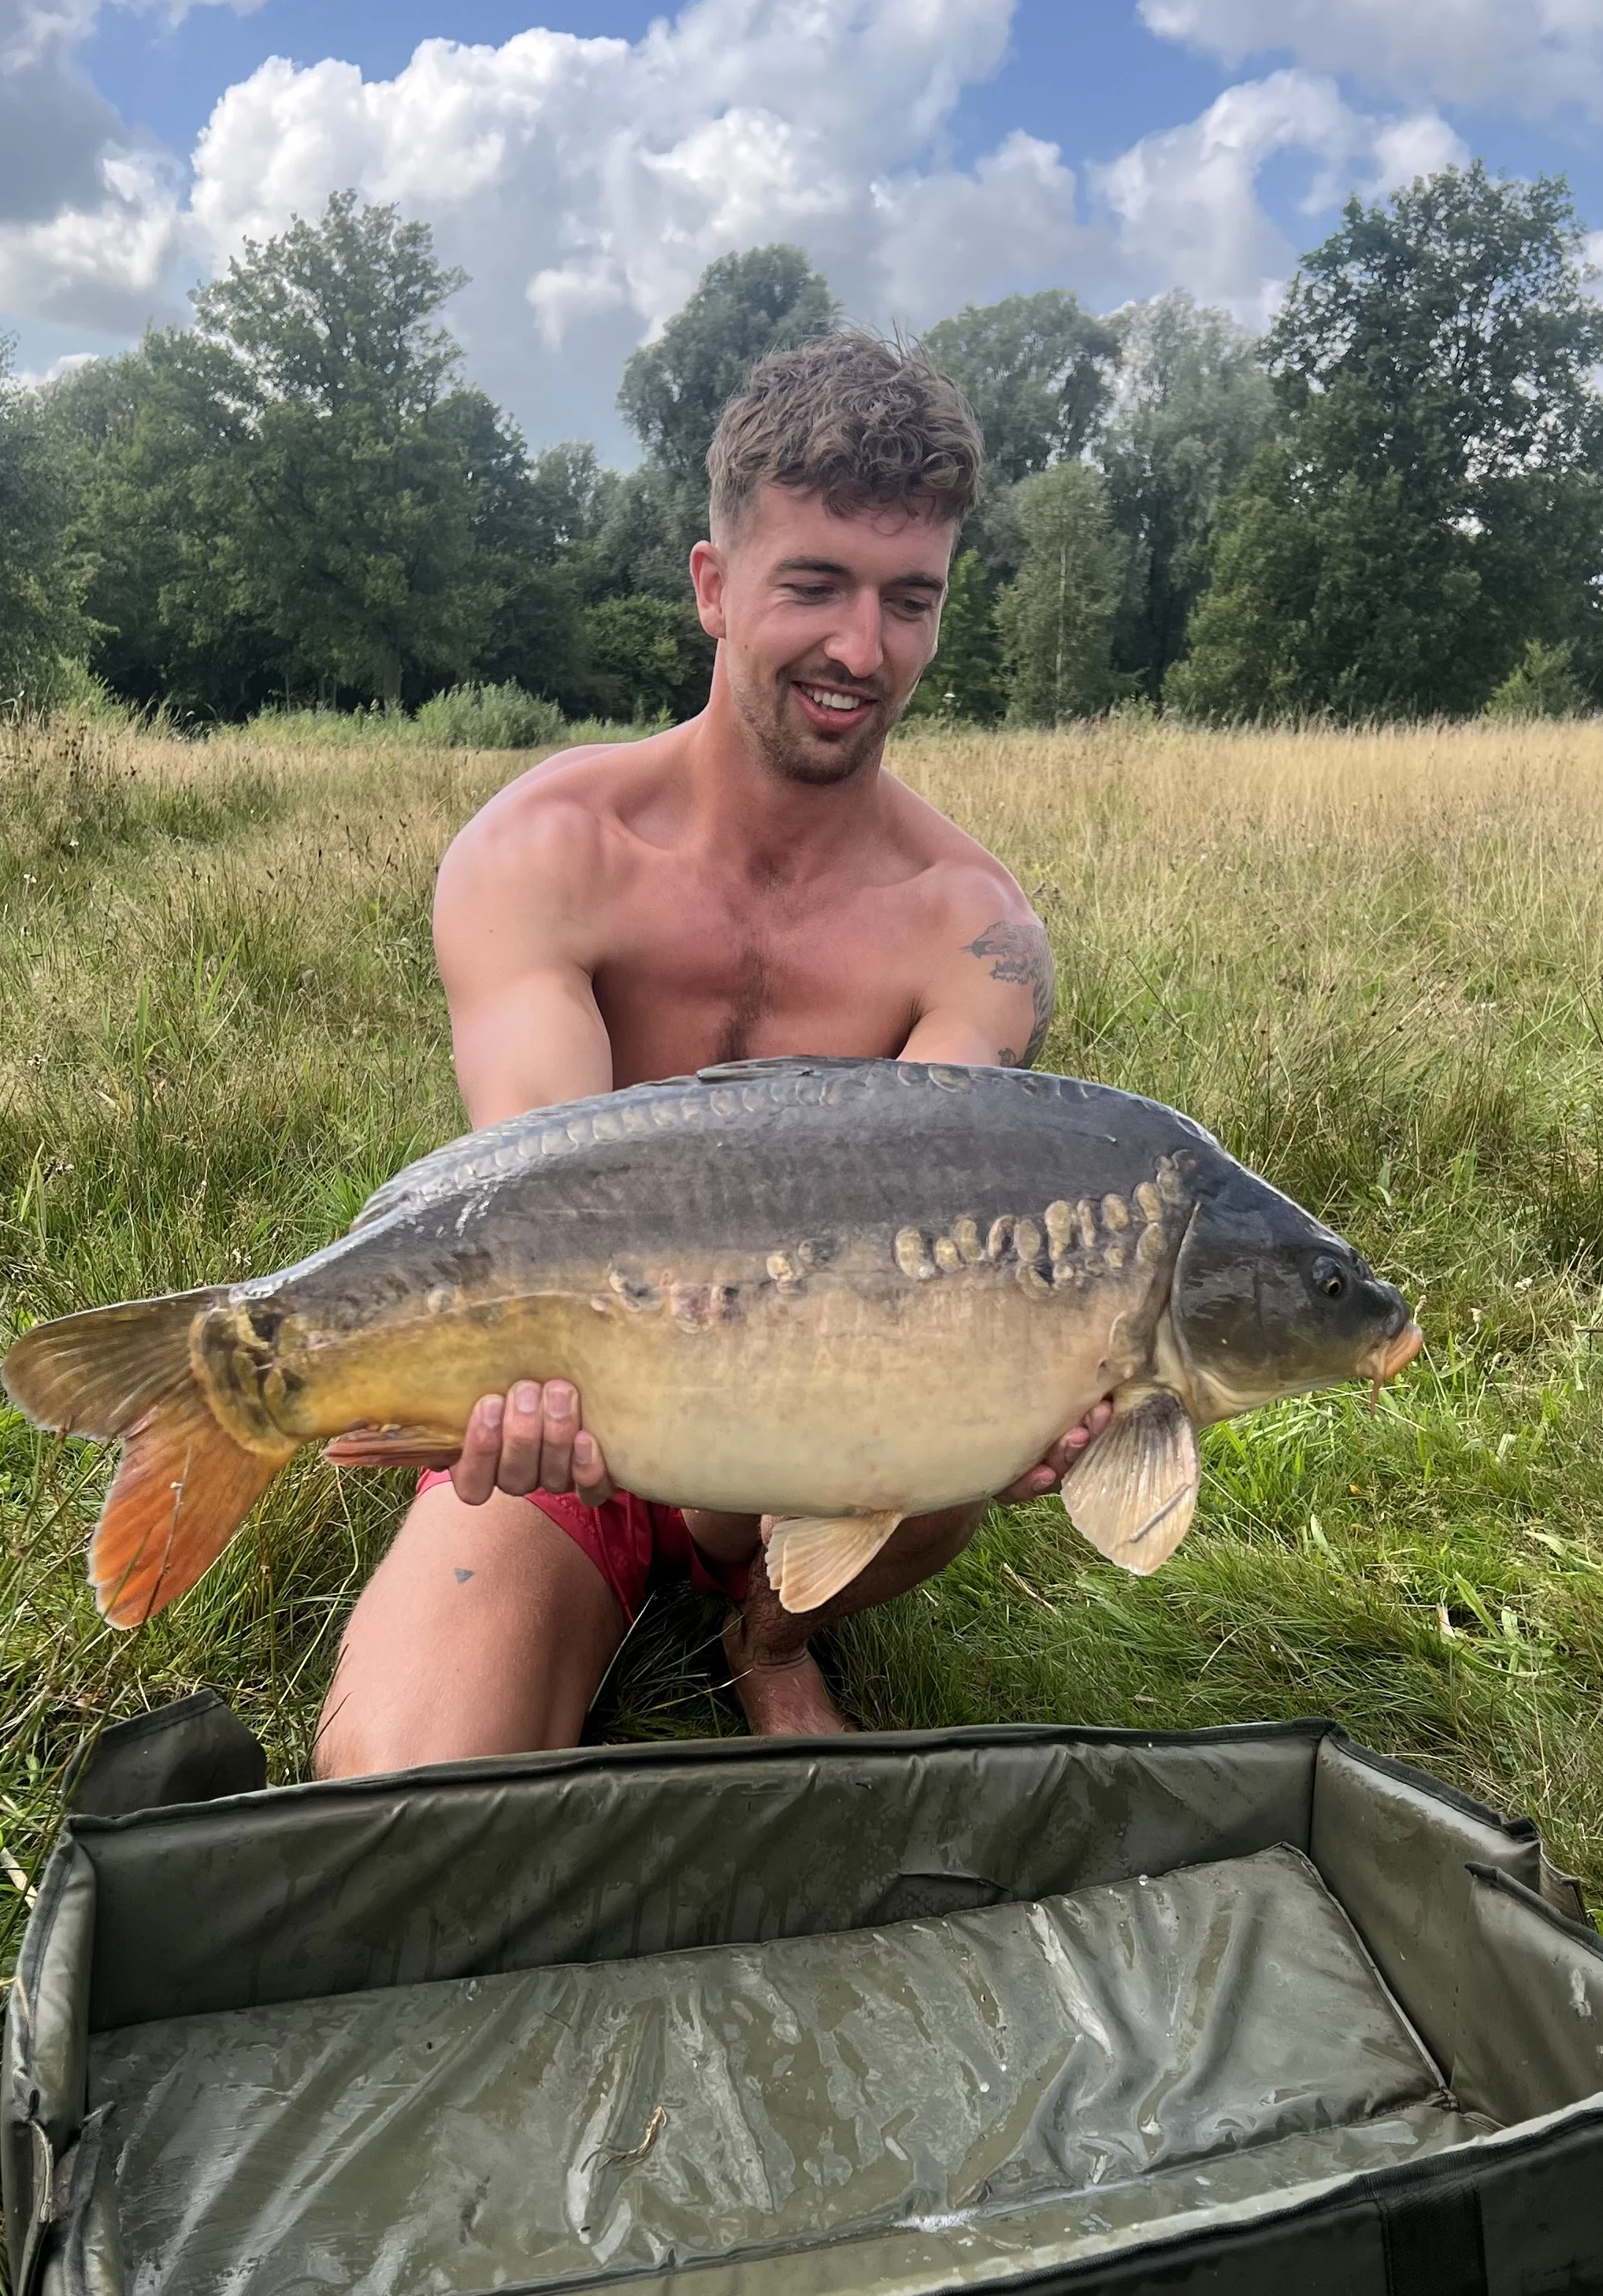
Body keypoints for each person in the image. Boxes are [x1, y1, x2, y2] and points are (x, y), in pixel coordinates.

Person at [314, 333, 1108, 1777]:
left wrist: (1040, 1395)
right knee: (397, 1807)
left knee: (957, 1453)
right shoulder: (543, 853)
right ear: (714, 585)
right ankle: (580, 1598)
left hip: (825, 1432)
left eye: (908, 600)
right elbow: (541, 1197)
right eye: (814, 584)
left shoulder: (973, 935)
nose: (862, 651)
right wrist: (520, 1392)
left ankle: (772, 1636)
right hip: (574, 1415)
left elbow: (935, 1250)